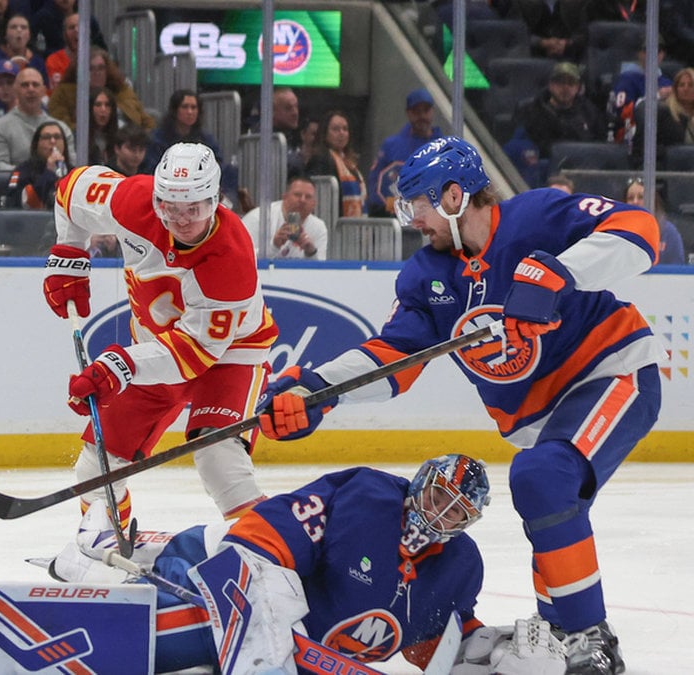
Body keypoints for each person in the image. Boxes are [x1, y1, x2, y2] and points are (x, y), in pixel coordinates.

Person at [258, 136, 662, 675]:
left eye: (417, 205)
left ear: (453, 196)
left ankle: (589, 637)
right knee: (547, 494)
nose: (412, 221)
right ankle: (564, 640)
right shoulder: (426, 275)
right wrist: (317, 391)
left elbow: (641, 231)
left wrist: (557, 272)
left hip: (612, 370)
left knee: (542, 479)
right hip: (541, 421)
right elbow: (393, 357)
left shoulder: (535, 217)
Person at [43, 455, 541, 674]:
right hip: (210, 560)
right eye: (436, 495)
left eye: (456, 511)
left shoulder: (457, 568)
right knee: (164, 604)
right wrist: (267, 636)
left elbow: (434, 642)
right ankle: (92, 554)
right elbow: (252, 548)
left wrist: (489, 655)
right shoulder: (365, 500)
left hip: (281, 637)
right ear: (419, 482)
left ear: (468, 523)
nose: (438, 513)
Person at [43, 143, 278, 527]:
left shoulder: (230, 258)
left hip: (230, 354)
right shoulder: (133, 201)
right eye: (170, 207)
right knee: (96, 469)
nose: (181, 220)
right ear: (156, 199)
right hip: (155, 349)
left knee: (219, 460)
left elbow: (193, 353)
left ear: (215, 200)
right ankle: (105, 539)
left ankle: (268, 546)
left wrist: (119, 366)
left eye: (194, 209)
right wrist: (69, 254)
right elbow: (71, 190)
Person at [367, 88, 443, 217]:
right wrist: (389, 206)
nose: (422, 116)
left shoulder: (444, 147)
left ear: (433, 111)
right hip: (397, 220)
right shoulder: (391, 146)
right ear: (408, 113)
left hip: (435, 219)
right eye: (417, 112)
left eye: (426, 110)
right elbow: (375, 183)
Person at [143, 90, 234, 195]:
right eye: (185, 107)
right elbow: (153, 168)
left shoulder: (206, 138)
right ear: (175, 110)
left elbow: (217, 163)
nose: (190, 112)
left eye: (194, 107)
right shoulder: (158, 138)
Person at [0, 66, 74, 171]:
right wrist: (33, 174)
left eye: (35, 85)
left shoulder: (61, 129)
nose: (31, 89)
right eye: (25, 85)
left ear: (44, 91)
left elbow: (73, 165)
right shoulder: (0, 127)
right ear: (15, 90)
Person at [515, 61, 605, 163]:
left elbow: (600, 148)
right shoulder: (531, 111)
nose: (565, 87)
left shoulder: (589, 112)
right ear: (551, 85)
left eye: (571, 83)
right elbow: (520, 148)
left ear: (577, 88)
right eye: (560, 82)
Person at [49, 48, 154, 133]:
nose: (97, 73)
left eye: (101, 68)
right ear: (80, 71)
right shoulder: (64, 93)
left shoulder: (122, 90)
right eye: (91, 68)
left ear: (107, 70)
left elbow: (146, 121)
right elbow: (60, 126)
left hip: (128, 142)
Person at [241, 175, 327, 260]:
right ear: (285, 197)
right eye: (297, 195)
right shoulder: (258, 218)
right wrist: (274, 246)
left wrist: (311, 252)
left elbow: (321, 267)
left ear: (314, 204)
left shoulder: (318, 227)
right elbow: (242, 257)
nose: (302, 200)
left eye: (308, 197)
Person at [306, 110, 367, 218]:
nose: (341, 133)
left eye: (345, 129)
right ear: (325, 133)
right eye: (335, 129)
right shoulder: (320, 159)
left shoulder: (351, 164)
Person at [632, 67, 694, 168]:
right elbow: (642, 108)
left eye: (691, 85)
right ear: (675, 89)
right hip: (669, 167)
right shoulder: (665, 113)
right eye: (681, 85)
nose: (685, 88)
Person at [8, 121, 70, 209]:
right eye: (46, 137)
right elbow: (21, 204)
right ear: (36, 143)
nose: (53, 141)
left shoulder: (73, 172)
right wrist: (49, 172)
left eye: (57, 137)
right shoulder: (22, 171)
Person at [624, 177, 686, 265]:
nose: (635, 202)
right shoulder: (618, 231)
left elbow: (677, 267)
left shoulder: (668, 232)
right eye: (630, 198)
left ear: (653, 200)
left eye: (641, 197)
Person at [248, 87, 305, 178]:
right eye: (288, 108)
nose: (295, 113)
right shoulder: (259, 139)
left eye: (296, 107)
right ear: (272, 111)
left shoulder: (292, 137)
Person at [85, 87, 119, 165]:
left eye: (107, 105)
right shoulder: (80, 137)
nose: (103, 109)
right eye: (98, 105)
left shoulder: (119, 136)